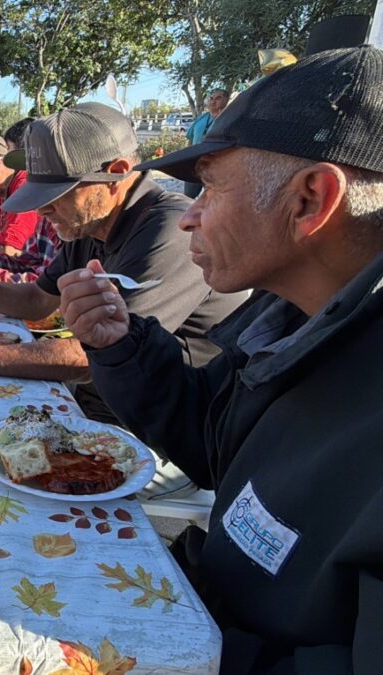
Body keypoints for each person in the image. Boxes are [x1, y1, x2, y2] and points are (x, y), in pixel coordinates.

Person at [57, 46, 383, 670]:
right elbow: (214, 440)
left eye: (209, 186)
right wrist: (121, 345)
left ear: (311, 199)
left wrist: (174, 654)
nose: (191, 216)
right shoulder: (285, 310)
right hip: (199, 608)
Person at [0, 102, 248, 425]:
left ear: (116, 173)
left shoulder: (169, 229)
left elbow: (90, 354)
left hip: (162, 433)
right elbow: (34, 301)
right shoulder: (91, 224)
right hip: (95, 402)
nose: (41, 209)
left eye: (56, 194)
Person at [182, 89, 230, 198]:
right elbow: (190, 138)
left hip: (215, 165)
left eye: (218, 98)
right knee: (188, 196)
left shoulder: (229, 119)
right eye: (211, 98)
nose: (213, 102)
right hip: (194, 163)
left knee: (212, 197)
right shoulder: (202, 118)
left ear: (226, 100)